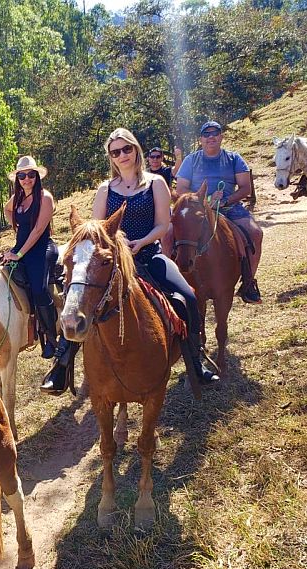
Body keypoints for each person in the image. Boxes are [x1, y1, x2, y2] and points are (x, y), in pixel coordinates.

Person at [41, 128, 218, 395]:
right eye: (115, 152)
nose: (122, 155)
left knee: (187, 298)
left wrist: (142, 242)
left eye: (126, 149)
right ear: (110, 158)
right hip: (112, 263)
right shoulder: (105, 189)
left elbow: (163, 224)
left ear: (136, 150)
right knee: (79, 301)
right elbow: (95, 230)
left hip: (148, 255)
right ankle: (61, 366)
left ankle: (196, 360)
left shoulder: (155, 183)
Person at [176, 121, 262, 304]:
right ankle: (172, 280)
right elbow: (181, 189)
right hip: (197, 209)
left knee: (255, 233)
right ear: (201, 139)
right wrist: (203, 201)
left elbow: (245, 187)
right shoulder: (191, 160)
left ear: (221, 137)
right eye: (206, 134)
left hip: (230, 207)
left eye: (215, 133)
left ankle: (248, 282)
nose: (211, 137)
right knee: (168, 234)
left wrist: (223, 201)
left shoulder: (234, 159)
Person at [3, 155, 59, 359]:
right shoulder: (18, 197)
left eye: (31, 175)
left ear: (37, 176)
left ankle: (53, 339)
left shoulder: (45, 197)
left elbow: (37, 232)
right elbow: (6, 209)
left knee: (39, 289)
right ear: (17, 178)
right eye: (22, 175)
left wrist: (18, 253)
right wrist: (16, 226)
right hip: (22, 247)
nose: (26, 179)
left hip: (41, 248)